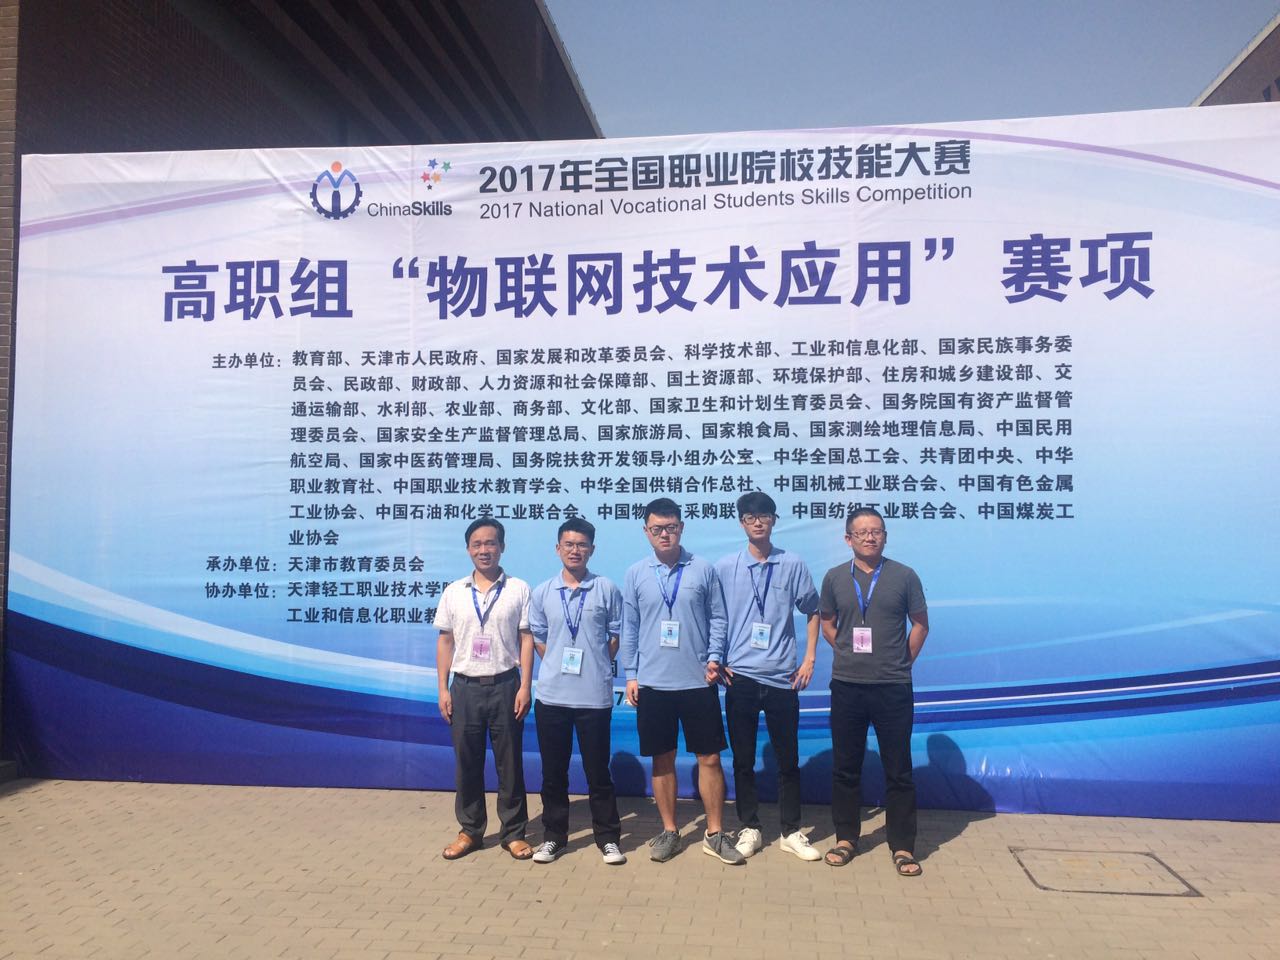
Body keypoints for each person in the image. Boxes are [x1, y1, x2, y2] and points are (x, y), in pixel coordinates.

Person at [620, 498, 743, 865]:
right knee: (662, 759)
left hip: (697, 681)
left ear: (681, 528)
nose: (665, 534)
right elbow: (629, 627)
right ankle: (670, 831)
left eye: (671, 527)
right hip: (653, 683)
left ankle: (715, 833)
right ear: (646, 532)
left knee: (710, 758)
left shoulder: (702, 569)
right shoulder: (636, 573)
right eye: (657, 529)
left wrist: (715, 657)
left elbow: (718, 617)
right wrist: (631, 675)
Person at [819, 507, 929, 876]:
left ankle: (903, 846)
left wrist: (901, 662)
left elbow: (920, 625)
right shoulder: (835, 577)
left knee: (898, 770)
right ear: (848, 538)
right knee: (845, 768)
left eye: (877, 531)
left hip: (892, 687)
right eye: (862, 532)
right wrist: (847, 653)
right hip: (847, 685)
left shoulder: (904, 576)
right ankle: (846, 838)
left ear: (885, 536)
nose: (870, 537)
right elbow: (828, 624)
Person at [715, 492, 822, 861]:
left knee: (787, 760)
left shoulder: (792, 563)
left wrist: (809, 659)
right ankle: (750, 827)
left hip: (782, 678)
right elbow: (714, 617)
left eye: (764, 515)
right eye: (750, 517)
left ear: (774, 520)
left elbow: (813, 610)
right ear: (741, 523)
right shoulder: (726, 567)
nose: (757, 522)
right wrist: (716, 659)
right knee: (743, 760)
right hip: (740, 677)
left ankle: (791, 831)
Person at [528, 518, 627, 865]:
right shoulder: (543, 592)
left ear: (592, 550)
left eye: (582, 545)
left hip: (593, 697)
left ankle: (608, 838)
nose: (575, 550)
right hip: (552, 697)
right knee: (553, 774)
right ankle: (554, 837)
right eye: (569, 544)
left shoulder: (606, 588)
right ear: (558, 549)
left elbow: (615, 636)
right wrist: (558, 663)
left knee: (598, 773)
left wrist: (596, 663)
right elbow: (539, 638)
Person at [435, 518, 535, 861]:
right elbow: (445, 641)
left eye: (490, 543)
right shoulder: (454, 591)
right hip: (464, 688)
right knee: (467, 763)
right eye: (477, 544)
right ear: (468, 549)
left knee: (510, 764)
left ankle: (513, 833)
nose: (484, 550)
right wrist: (443, 689)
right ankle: (470, 830)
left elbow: (526, 638)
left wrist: (525, 685)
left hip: (506, 685)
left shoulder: (519, 589)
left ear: (502, 547)